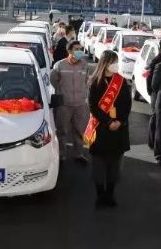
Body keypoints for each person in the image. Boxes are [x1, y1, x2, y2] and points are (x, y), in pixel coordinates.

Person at [84, 50, 131, 208]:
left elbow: (127, 104)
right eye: (113, 62)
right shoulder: (95, 82)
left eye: (116, 61)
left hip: (118, 129)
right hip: (101, 129)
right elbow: (93, 107)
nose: (115, 65)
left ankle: (110, 194)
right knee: (99, 165)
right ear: (105, 63)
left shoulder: (121, 81)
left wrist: (119, 121)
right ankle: (100, 195)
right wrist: (108, 121)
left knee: (114, 166)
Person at [50, 40, 89, 163]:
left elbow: (87, 81)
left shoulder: (84, 65)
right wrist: (61, 92)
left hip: (80, 105)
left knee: (79, 131)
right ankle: (61, 155)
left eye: (80, 49)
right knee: (62, 131)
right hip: (64, 105)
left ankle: (79, 154)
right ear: (69, 51)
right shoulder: (59, 65)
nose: (79, 51)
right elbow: (53, 80)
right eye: (76, 49)